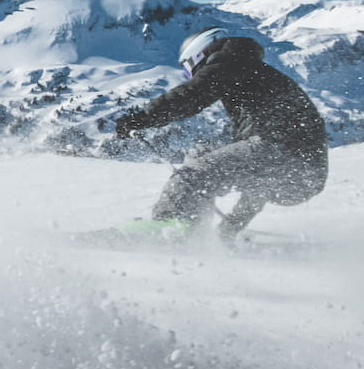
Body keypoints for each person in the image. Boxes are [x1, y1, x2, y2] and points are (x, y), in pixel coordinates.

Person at [112, 26, 328, 238]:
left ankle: (170, 226)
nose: (190, 75)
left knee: (193, 173)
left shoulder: (230, 62)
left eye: (188, 69)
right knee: (201, 154)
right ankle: (194, 226)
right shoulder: (246, 66)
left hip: (287, 158)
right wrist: (230, 229)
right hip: (304, 175)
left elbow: (192, 95)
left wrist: (140, 119)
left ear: (198, 54)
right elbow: (260, 184)